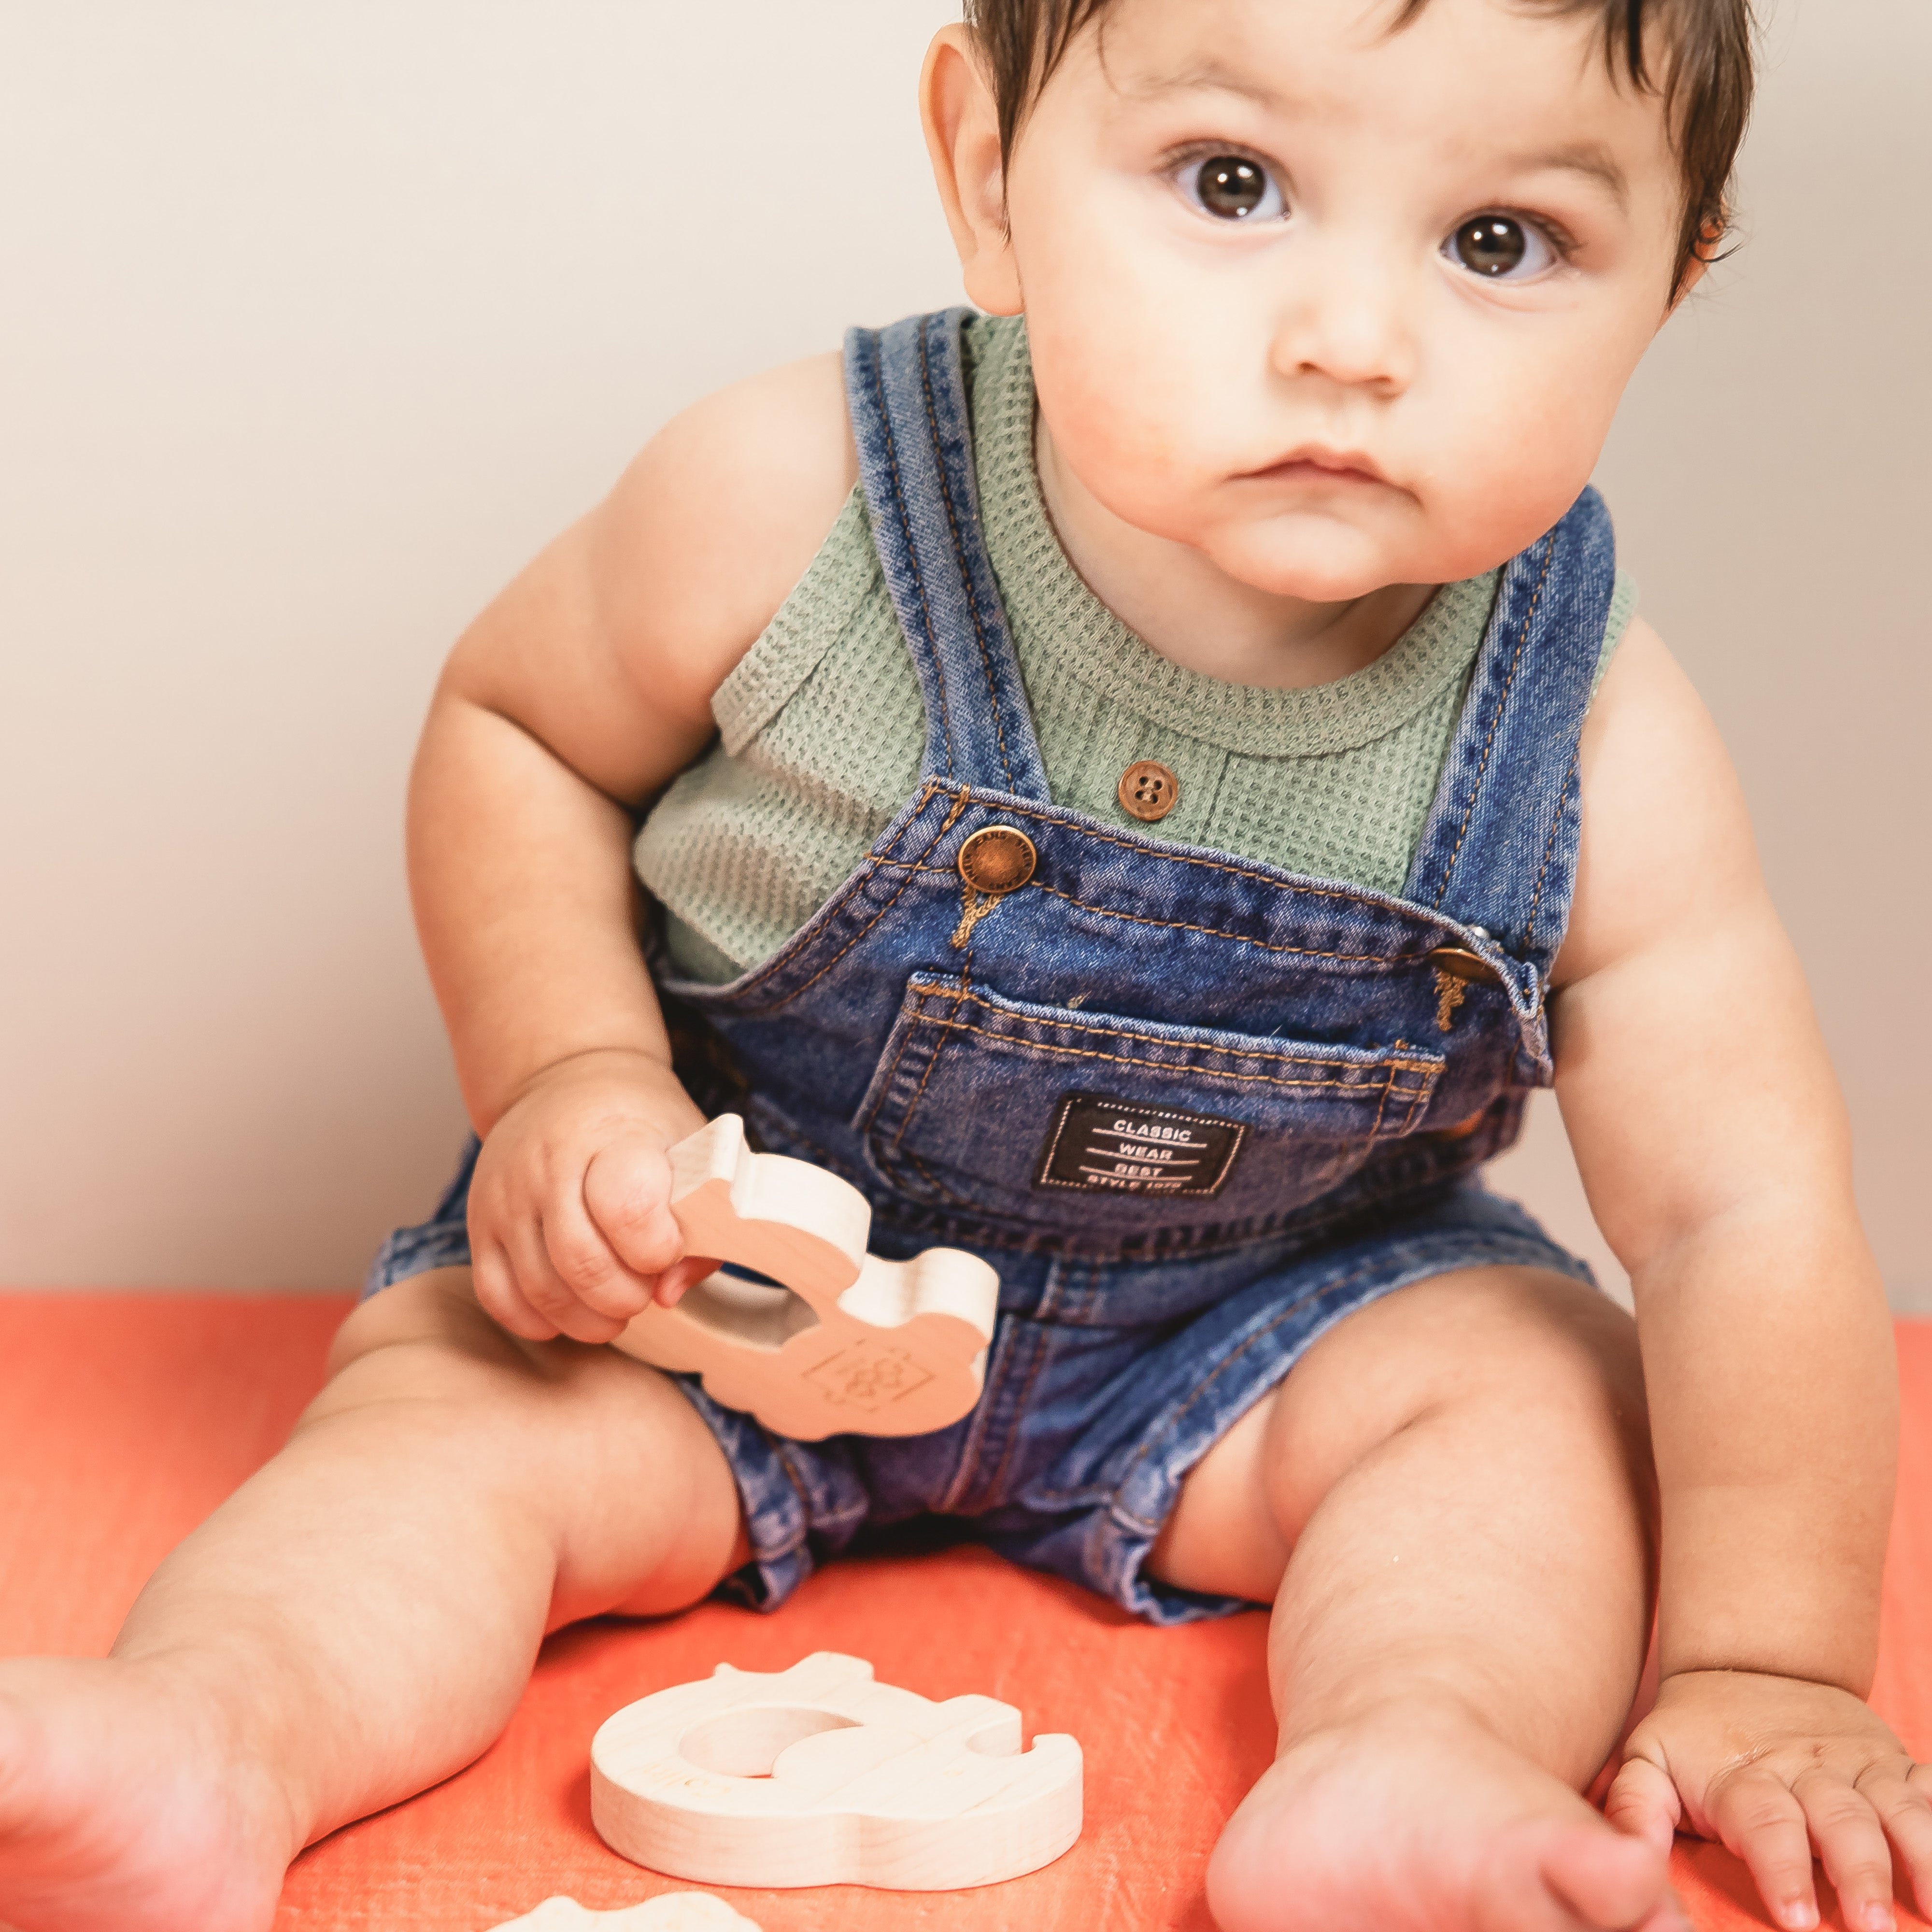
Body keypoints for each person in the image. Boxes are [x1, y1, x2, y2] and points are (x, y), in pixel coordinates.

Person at [3, 2, 1926, 1929]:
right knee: (444, 1416)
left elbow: (1736, 1215)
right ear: (988, 172)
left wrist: (1765, 1660)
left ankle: (1407, 1758)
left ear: (1670, 278)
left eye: (1498, 242)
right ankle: (210, 1737)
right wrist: (570, 1075)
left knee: (1538, 1406)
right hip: (723, 1296)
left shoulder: (1593, 732)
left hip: (1253, 1352)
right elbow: (519, 731)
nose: (1355, 340)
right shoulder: (799, 500)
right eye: (1232, 185)